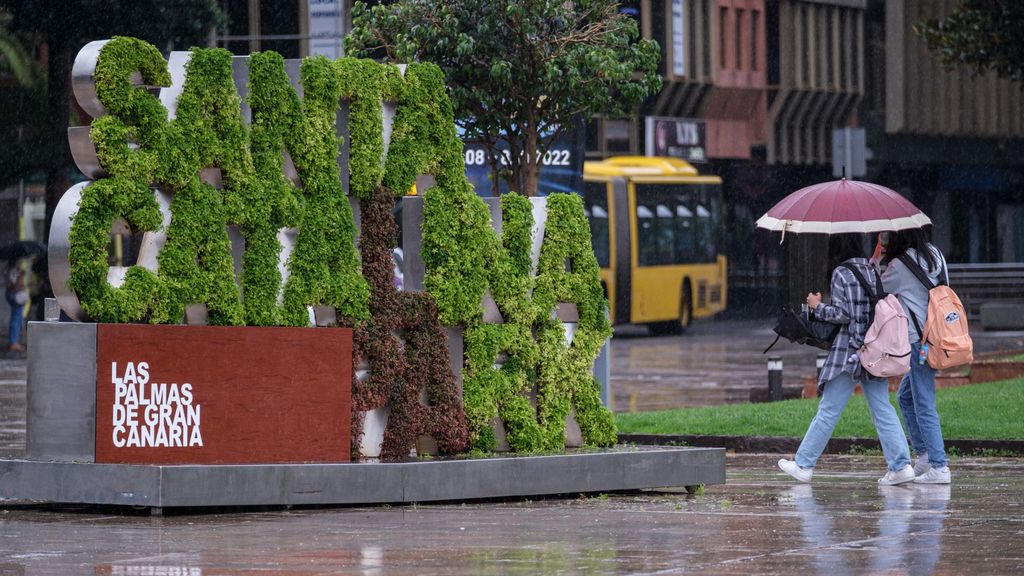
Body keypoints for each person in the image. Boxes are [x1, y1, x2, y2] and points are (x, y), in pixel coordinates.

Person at [779, 233, 913, 484]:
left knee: (828, 410)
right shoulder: (871, 269)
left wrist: (817, 305)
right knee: (883, 408)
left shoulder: (841, 272)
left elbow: (843, 314)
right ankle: (901, 466)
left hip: (847, 354)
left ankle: (804, 465)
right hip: (873, 351)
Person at [881, 228, 951, 484]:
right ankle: (923, 456)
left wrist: (880, 257)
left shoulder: (900, 264)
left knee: (923, 403)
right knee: (906, 397)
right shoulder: (936, 255)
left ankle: (939, 466)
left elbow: (878, 287)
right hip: (937, 337)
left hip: (917, 342)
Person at [5, 258, 28, 353]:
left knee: (16, 318)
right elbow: (15, 285)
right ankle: (13, 342)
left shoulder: (7, 269)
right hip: (16, 295)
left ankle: (13, 341)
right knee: (16, 318)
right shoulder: (14, 270)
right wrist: (21, 276)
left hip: (10, 294)